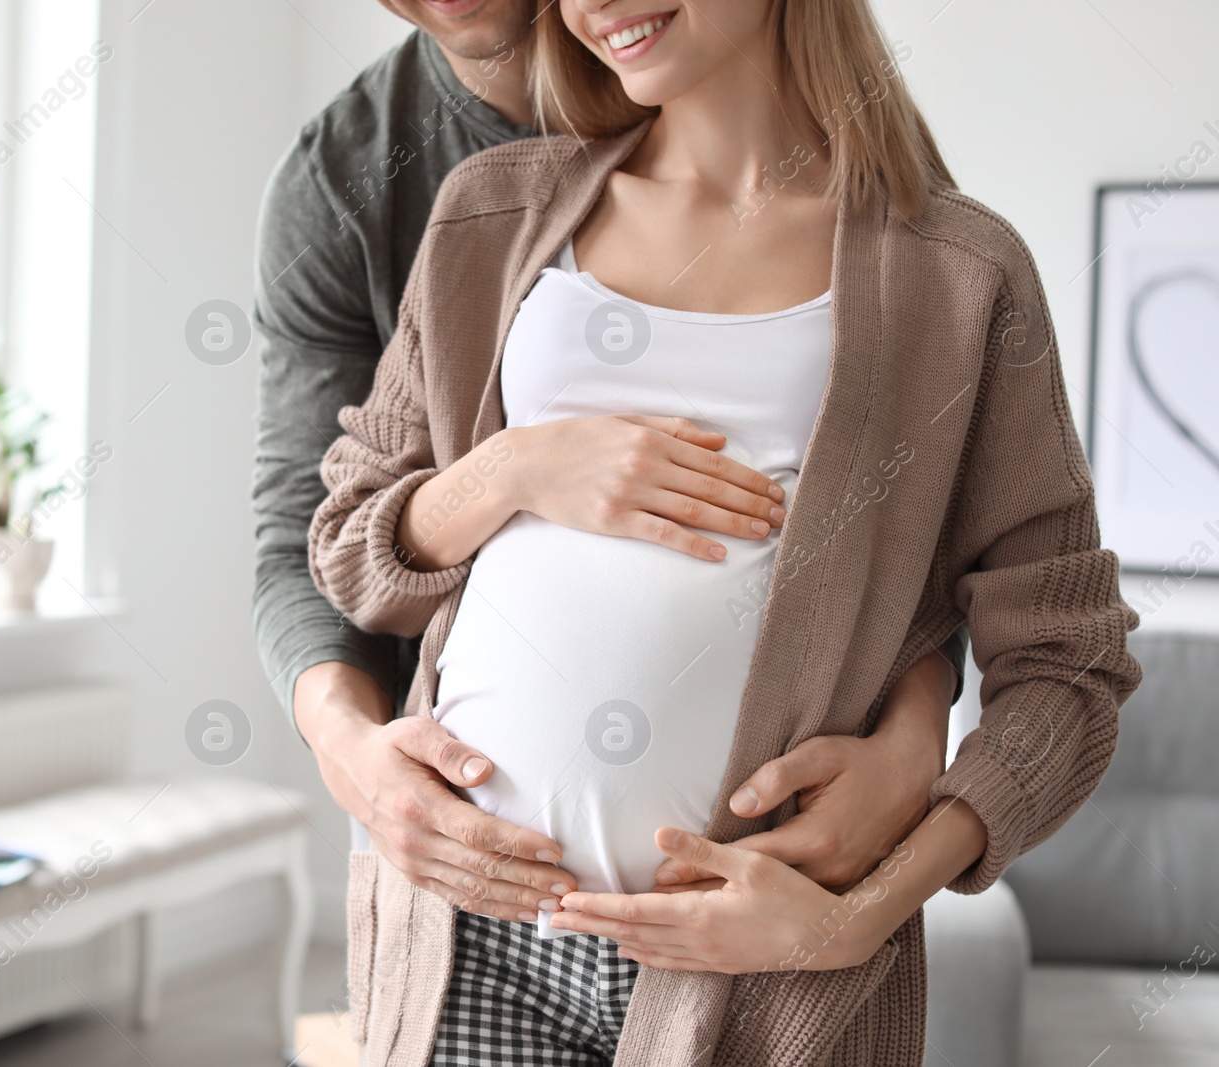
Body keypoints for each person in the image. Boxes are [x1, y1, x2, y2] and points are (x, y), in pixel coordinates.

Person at [305, 0, 1141, 1063]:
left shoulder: (958, 270)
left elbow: (1068, 661)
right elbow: (348, 537)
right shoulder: (490, 214)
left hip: (759, 979)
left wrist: (861, 912)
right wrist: (518, 467)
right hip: (472, 934)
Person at [251, 0, 965, 943]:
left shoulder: (885, 221)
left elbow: (909, 520)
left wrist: (915, 739)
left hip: (739, 906)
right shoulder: (358, 180)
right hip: (453, 854)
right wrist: (355, 758)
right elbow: (309, 534)